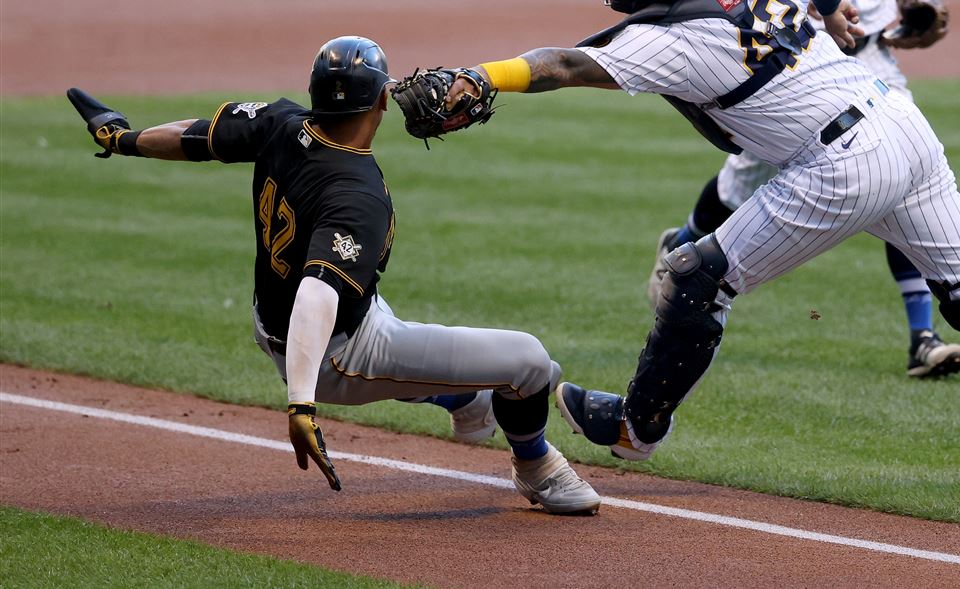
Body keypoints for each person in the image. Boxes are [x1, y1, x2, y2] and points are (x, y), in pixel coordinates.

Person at [441, 0, 960, 461]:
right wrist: (834, 15)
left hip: (840, 163)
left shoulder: (677, 40)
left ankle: (635, 427)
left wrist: (480, 75)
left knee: (695, 275)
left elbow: (563, 64)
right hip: (901, 120)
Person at [66, 36, 601, 514]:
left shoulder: (280, 122)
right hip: (332, 353)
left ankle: (464, 401)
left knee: (408, 338)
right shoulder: (357, 197)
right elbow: (316, 295)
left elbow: (196, 136)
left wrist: (124, 139)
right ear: (382, 101)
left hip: (287, 316)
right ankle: (537, 468)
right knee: (532, 364)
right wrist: (302, 403)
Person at [646, 0, 960, 379]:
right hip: (799, 64)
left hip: (874, 59)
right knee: (741, 186)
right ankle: (683, 248)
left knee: (905, 179)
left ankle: (924, 334)